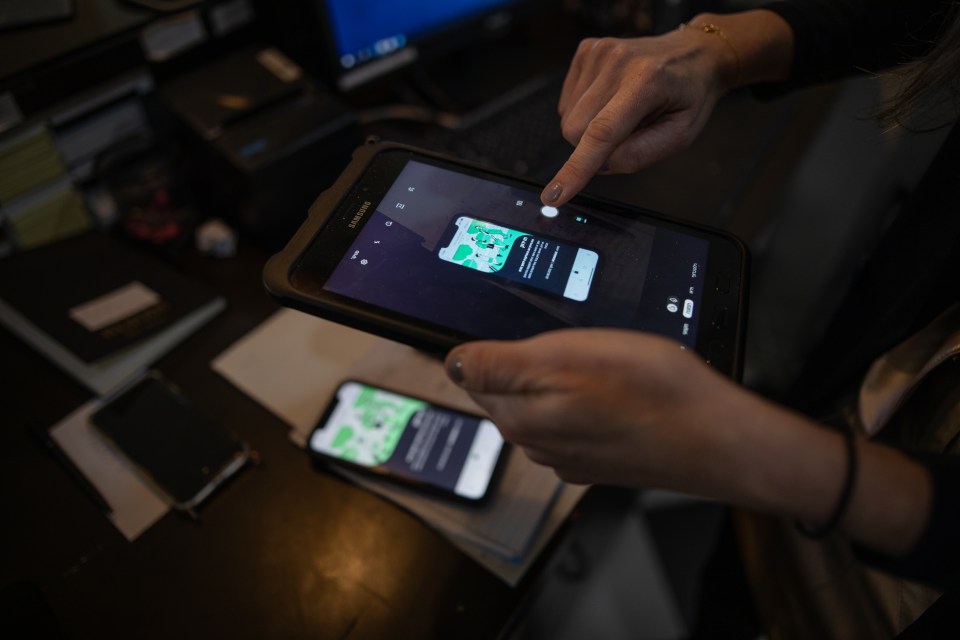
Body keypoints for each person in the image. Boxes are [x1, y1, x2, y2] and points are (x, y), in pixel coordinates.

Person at [443, 1, 960, 636]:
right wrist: (722, 46)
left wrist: (757, 457)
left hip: (881, 594)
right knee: (730, 589)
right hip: (857, 414)